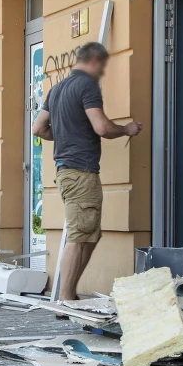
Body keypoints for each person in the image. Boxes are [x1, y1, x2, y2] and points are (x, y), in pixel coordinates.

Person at [32, 42, 142, 301]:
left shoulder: (57, 89)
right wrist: (126, 129)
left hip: (65, 171)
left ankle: (68, 296)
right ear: (94, 60)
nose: (102, 72)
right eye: (102, 66)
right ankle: (66, 298)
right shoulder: (87, 86)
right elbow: (102, 127)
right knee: (80, 235)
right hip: (81, 171)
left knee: (90, 234)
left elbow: (38, 128)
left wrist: (64, 136)